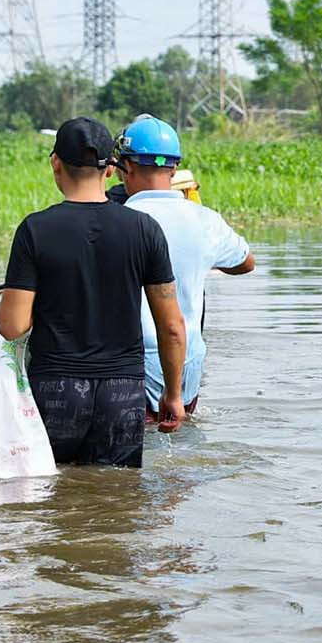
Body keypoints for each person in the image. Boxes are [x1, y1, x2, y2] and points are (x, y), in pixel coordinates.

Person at [0, 117, 188, 467]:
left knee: (54, 501)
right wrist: (172, 395)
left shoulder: (35, 230)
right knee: (119, 499)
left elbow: (12, 326)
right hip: (123, 393)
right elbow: (172, 326)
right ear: (111, 170)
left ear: (56, 163)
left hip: (55, 390)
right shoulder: (144, 229)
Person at [115, 115, 255, 419]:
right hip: (188, 359)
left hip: (132, 361)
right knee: (179, 442)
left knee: (137, 448)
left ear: (125, 166)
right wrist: (202, 260)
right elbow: (246, 262)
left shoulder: (117, 219)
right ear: (175, 168)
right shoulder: (204, 219)